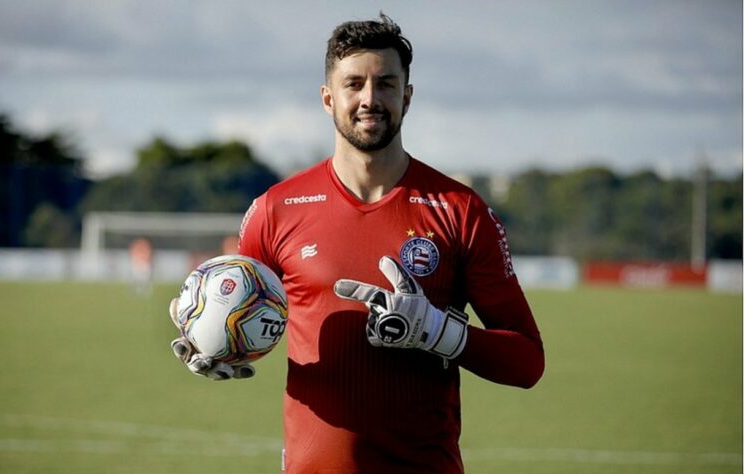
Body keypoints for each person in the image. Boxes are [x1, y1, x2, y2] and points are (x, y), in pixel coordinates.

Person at [171, 13, 544, 473]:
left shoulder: (460, 210)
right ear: (328, 99)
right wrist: (213, 344)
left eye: (386, 84)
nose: (371, 98)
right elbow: (241, 305)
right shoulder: (275, 209)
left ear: (407, 98)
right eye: (354, 84)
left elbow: (527, 362)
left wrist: (438, 333)